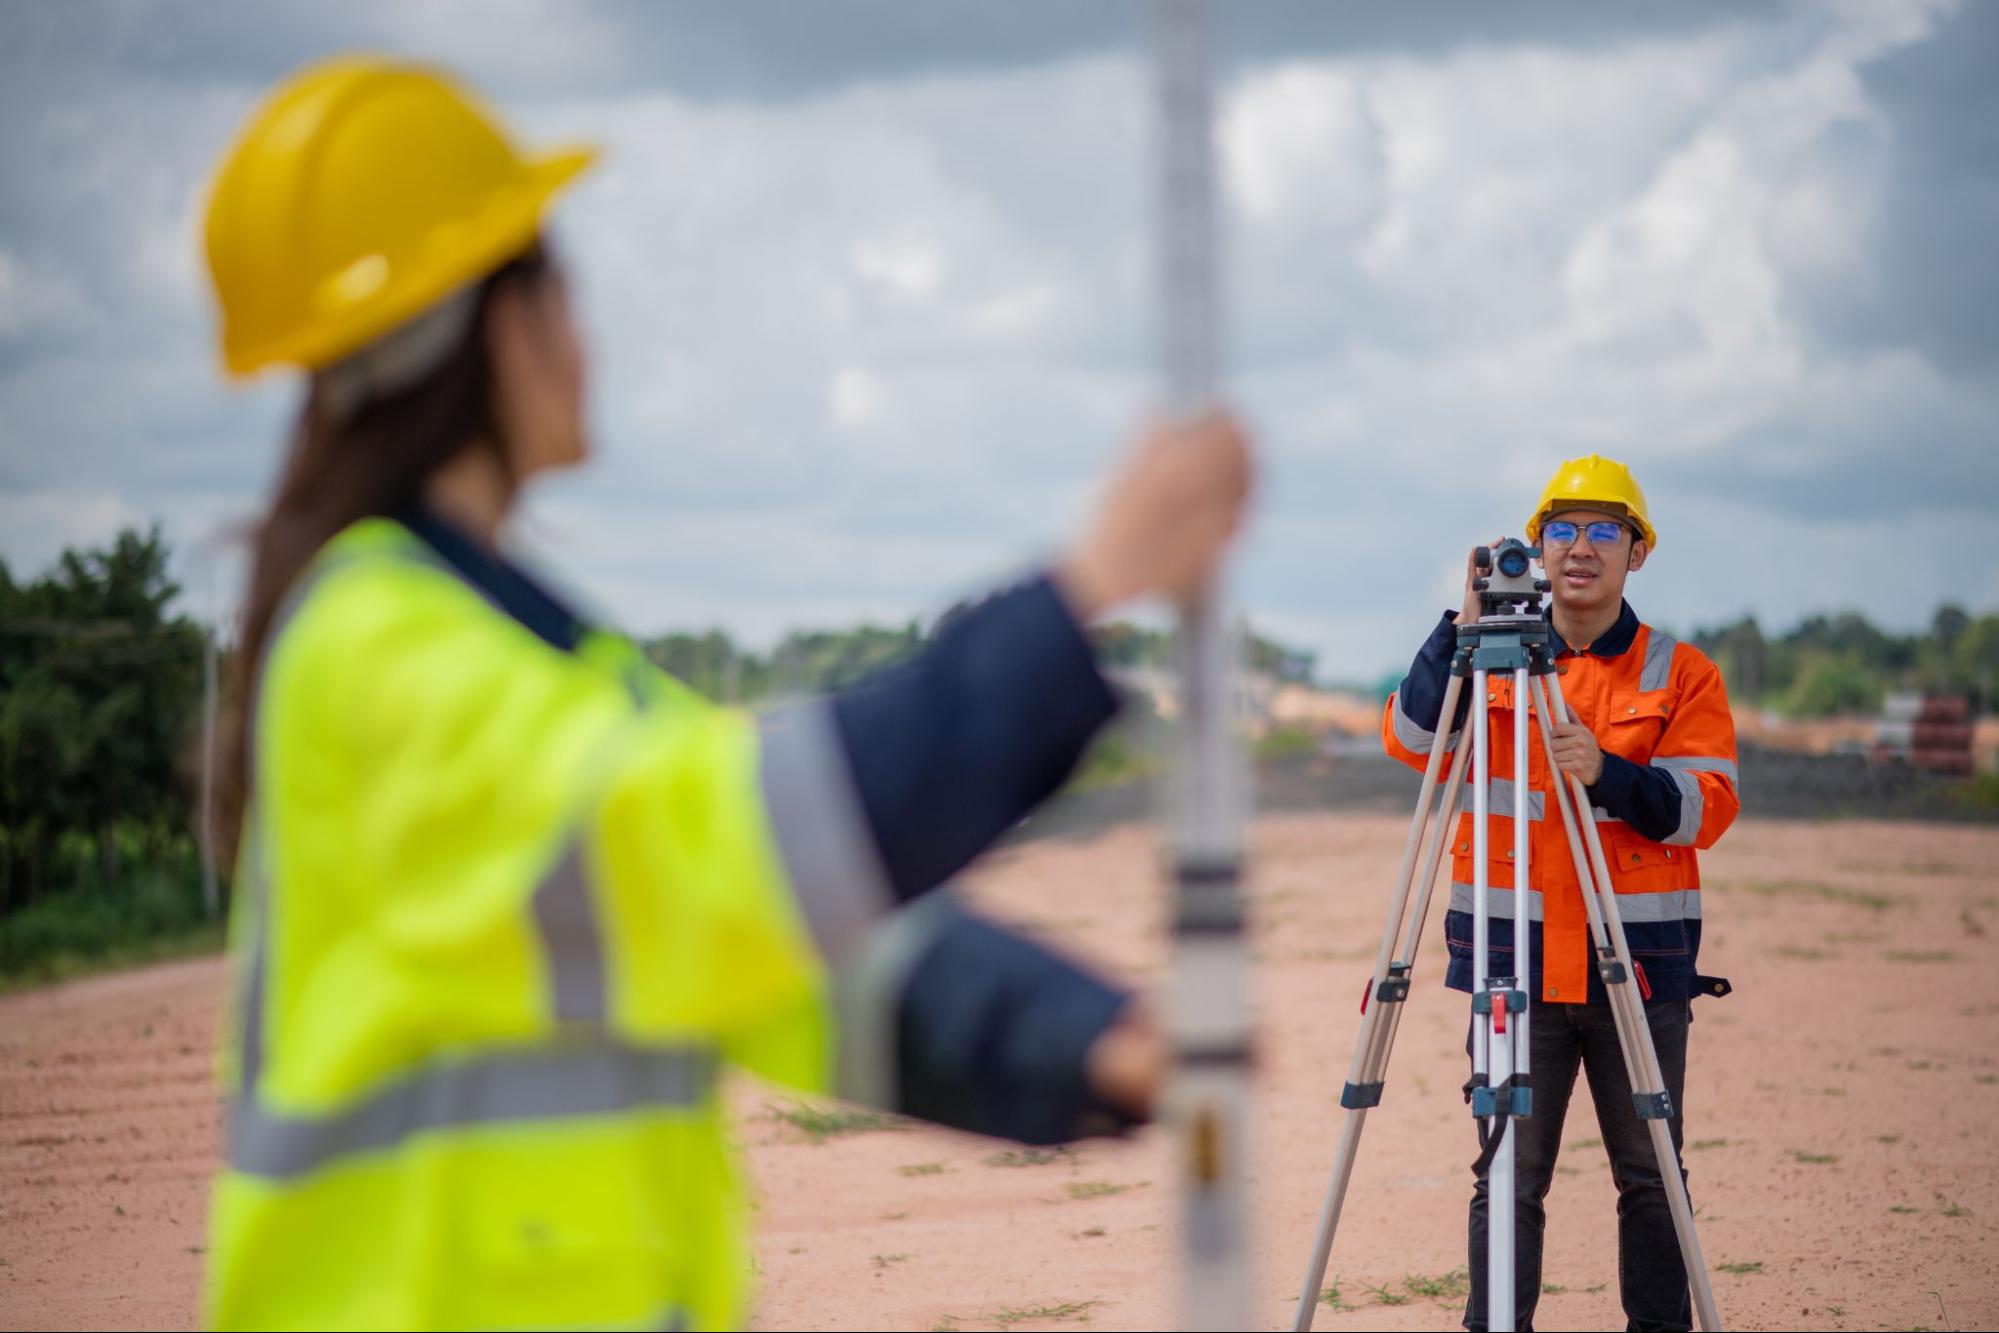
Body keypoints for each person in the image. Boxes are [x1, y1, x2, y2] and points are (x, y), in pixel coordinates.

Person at [198, 58, 1253, 1331]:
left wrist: (1069, 1034)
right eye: (560, 282)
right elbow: (731, 849)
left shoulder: (529, 661)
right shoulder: (375, 655)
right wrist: (1088, 583)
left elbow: (765, 948)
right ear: (487, 324)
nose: (585, 330)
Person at [1381, 455, 1738, 1332]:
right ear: (1537, 549)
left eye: (1604, 530)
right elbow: (1409, 737)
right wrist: (1458, 626)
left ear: (1637, 551)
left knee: (1652, 1170)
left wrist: (1610, 774)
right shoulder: (1486, 659)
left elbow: (1706, 805)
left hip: (1637, 971)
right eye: (1563, 531)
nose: (1582, 548)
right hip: (1516, 967)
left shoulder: (1678, 671)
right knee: (1505, 1169)